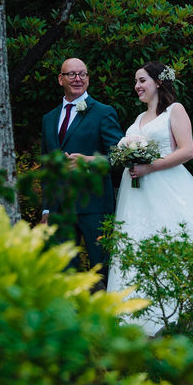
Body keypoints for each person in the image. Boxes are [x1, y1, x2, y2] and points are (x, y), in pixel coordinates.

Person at [106, 60, 193, 335]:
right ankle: (138, 314)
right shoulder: (137, 120)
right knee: (138, 240)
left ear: (158, 82)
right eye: (136, 81)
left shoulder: (175, 110)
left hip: (167, 185)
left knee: (180, 234)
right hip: (136, 194)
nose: (137, 86)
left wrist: (150, 166)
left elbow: (187, 151)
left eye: (142, 80)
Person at [41, 57, 125, 288]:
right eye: (71, 74)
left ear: (88, 79)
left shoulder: (103, 112)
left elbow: (117, 158)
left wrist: (88, 162)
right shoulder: (48, 119)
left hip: (94, 206)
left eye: (83, 74)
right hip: (60, 209)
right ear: (60, 79)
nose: (78, 79)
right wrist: (47, 209)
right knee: (64, 272)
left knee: (102, 270)